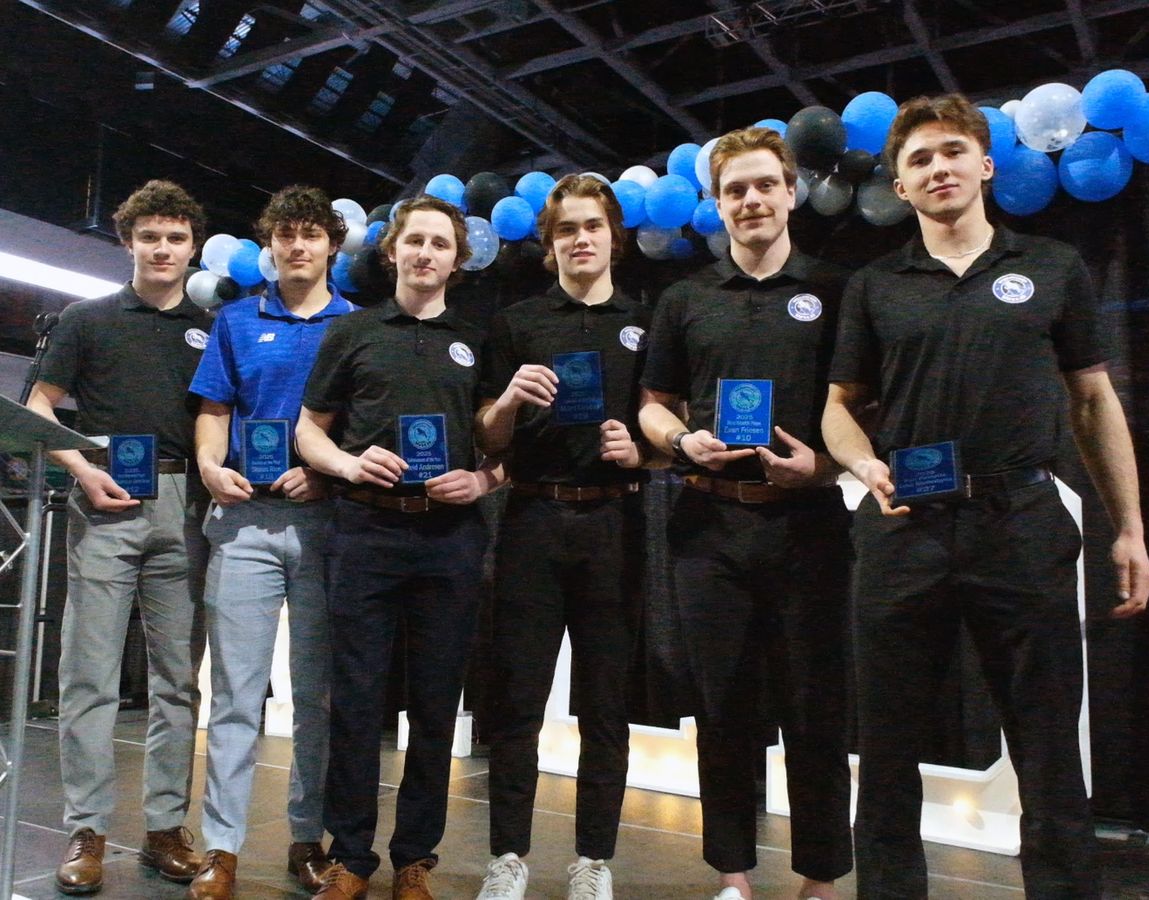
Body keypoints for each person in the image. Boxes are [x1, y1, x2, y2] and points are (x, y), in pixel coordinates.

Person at [821, 93, 1149, 899]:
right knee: (890, 745)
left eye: (950, 152)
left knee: (1046, 744)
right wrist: (866, 467)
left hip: (1023, 524)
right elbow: (837, 409)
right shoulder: (875, 286)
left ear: (985, 163)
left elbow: (1093, 402)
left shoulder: (1050, 268)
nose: (938, 168)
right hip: (905, 531)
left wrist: (1130, 530)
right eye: (919, 160)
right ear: (899, 187)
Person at [638, 127, 853, 900]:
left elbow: (861, 408)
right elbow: (652, 408)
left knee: (815, 710)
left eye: (764, 184)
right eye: (735, 189)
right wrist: (683, 440)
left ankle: (821, 879)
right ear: (716, 202)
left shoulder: (835, 290)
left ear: (790, 190)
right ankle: (733, 875)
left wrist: (822, 467)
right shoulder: (685, 298)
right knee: (722, 706)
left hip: (811, 525)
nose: (751, 200)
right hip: (708, 528)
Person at [295, 195, 504, 900]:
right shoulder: (353, 332)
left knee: (437, 703)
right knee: (355, 698)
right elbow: (308, 431)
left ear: (457, 258)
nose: (425, 253)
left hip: (449, 541)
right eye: (414, 240)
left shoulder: (479, 338)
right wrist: (349, 465)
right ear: (392, 252)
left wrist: (481, 480)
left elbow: (506, 450)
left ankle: (415, 856)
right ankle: (351, 855)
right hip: (365, 532)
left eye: (439, 244)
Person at [25, 179, 210, 894]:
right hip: (103, 498)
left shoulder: (210, 328)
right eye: (149, 236)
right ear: (128, 242)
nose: (162, 249)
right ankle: (87, 829)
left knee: (178, 681)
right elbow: (38, 404)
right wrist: (82, 469)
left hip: (186, 506)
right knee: (88, 674)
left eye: (174, 237)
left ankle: (166, 827)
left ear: (192, 246)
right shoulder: (86, 318)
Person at [474, 175, 654, 900]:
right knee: (517, 697)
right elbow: (485, 435)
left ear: (614, 236)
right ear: (549, 247)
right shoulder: (517, 323)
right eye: (566, 230)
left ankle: (592, 862)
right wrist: (511, 400)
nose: (581, 238)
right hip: (533, 519)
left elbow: (667, 428)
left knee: (608, 703)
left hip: (617, 521)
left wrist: (643, 450)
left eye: (593, 225)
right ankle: (509, 857)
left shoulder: (648, 323)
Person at [185, 186, 355, 899]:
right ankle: (222, 848)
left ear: (331, 247)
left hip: (324, 525)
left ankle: (305, 841)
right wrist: (207, 464)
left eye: (311, 235)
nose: (297, 246)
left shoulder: (358, 323)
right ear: (271, 245)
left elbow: (362, 425)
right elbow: (214, 410)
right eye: (285, 234)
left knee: (315, 697)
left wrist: (327, 479)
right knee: (234, 696)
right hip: (245, 526)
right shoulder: (234, 318)